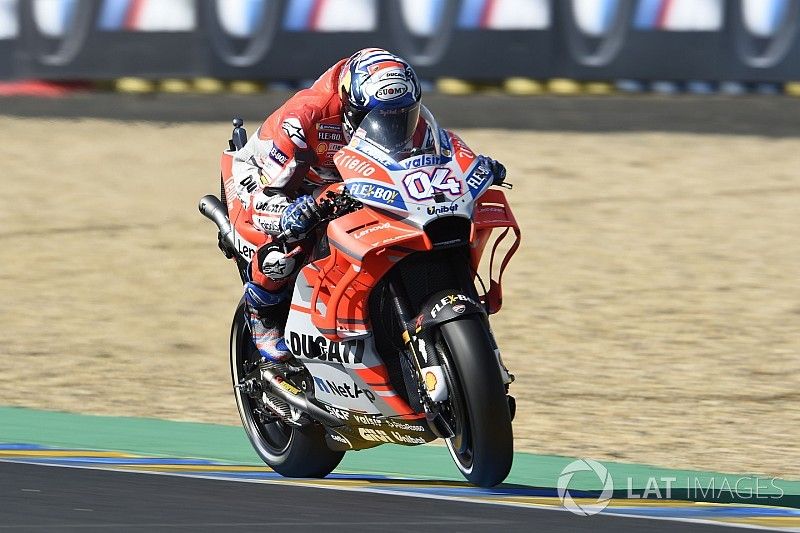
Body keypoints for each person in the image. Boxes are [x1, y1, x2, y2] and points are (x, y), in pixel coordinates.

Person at [231, 48, 506, 367]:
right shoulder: (305, 117)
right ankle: (261, 313)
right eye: (379, 120)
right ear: (350, 107)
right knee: (284, 249)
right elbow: (267, 192)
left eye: (401, 117)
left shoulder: (402, 109)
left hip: (353, 180)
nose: (394, 127)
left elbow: (439, 153)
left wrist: (472, 168)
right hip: (275, 180)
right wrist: (288, 213)